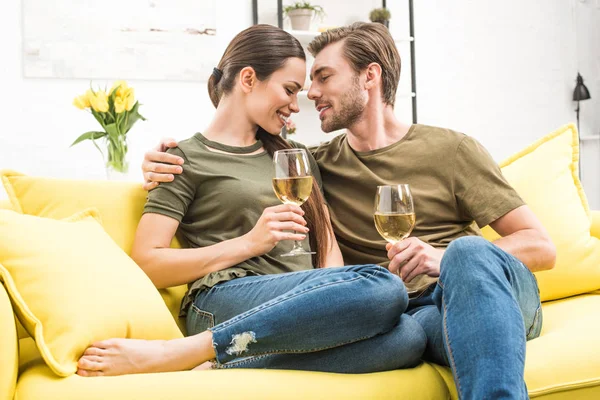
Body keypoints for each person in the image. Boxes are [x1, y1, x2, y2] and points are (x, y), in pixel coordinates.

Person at [142, 22, 557, 399]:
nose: (309, 94)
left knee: (468, 252)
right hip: (414, 312)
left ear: (370, 76)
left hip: (484, 291)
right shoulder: (312, 163)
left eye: (323, 77)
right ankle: (224, 358)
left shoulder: (452, 149)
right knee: (408, 337)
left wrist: (442, 258)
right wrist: (155, 162)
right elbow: (232, 155)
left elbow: (542, 247)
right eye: (300, 85)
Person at [76, 24, 427, 378]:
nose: (295, 104)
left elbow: (327, 249)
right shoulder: (183, 158)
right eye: (289, 89)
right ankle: (184, 350)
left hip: (302, 304)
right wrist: (249, 243)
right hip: (224, 299)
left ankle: (219, 362)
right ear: (248, 79)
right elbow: (148, 261)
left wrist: (334, 300)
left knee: (409, 336)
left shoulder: (296, 157)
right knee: (384, 287)